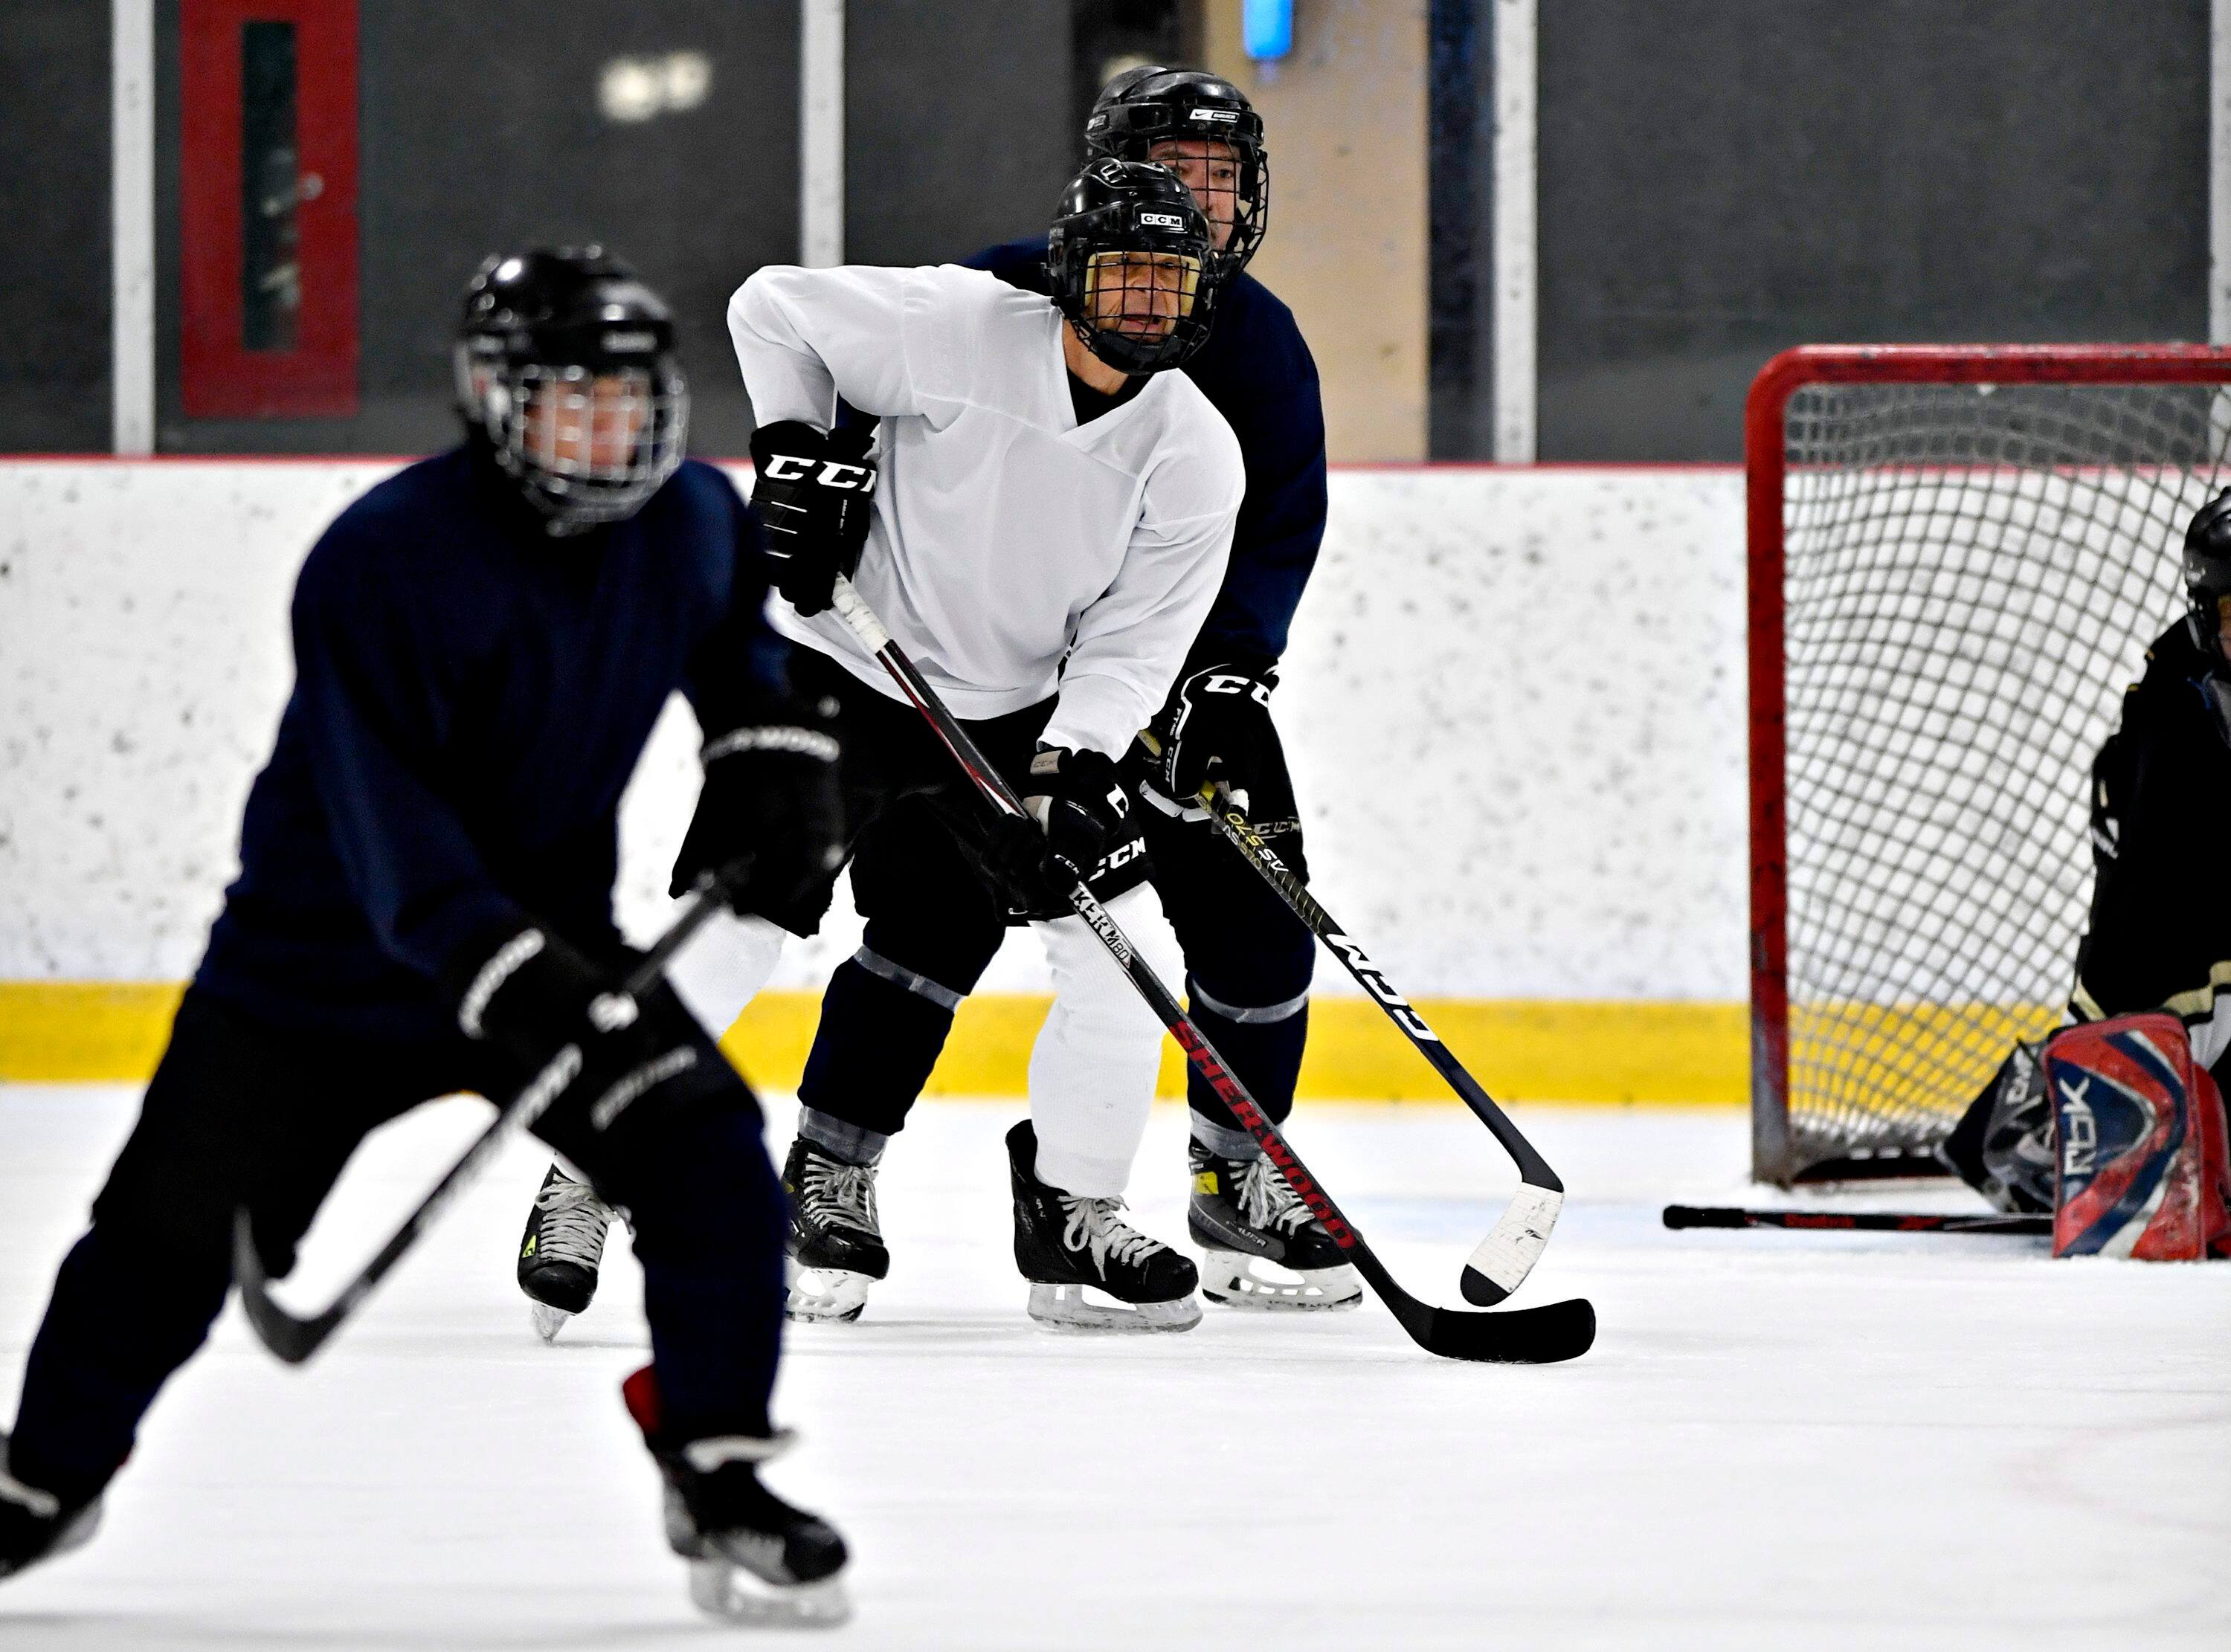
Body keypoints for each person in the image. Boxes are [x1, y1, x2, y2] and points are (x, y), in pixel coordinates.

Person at [0, 250, 853, 1624]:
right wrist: (519, 978)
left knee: (703, 1157)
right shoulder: (384, 559)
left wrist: (772, 760)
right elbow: (393, 837)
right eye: (569, 400)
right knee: (163, 1240)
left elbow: (739, 653)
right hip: (312, 971)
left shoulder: (693, 520)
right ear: (494, 401)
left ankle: (716, 1462)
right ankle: (43, 1479)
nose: (604, 431)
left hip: (548, 939)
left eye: (627, 399)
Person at [512, 158, 1246, 1335]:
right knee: (742, 921)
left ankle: (1074, 1209)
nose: (1148, 304)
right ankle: (587, 1169)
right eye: (1125, 275)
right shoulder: (956, 325)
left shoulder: (1198, 453)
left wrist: (1078, 755)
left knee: (1120, 953)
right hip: (844, 663)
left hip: (1011, 716)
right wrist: (798, 449)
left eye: (1170, 281)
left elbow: (1134, 636)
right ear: (1071, 274)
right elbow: (771, 307)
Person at [774, 66, 1359, 1317]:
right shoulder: (1013, 289)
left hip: (1177, 677)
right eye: (1173, 170)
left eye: (1219, 178)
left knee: (1257, 913)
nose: (1194, 207)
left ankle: (1234, 1175)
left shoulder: (1256, 345)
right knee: (934, 921)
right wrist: (808, 459)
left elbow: (1275, 527)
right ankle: (834, 1164)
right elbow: (857, 379)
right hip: (1017, 675)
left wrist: (1229, 671)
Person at [1943, 488, 2231, 1222]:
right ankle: (2053, 1121)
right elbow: (2139, 930)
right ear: (2206, 616)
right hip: (2184, 972)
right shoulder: (2171, 724)